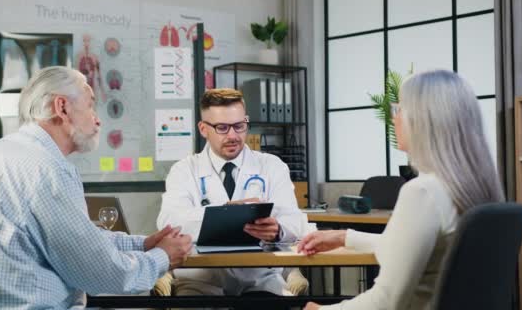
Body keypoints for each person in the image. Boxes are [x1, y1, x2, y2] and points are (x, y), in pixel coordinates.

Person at [0, 66, 193, 309]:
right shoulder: (46, 168)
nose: (97, 118)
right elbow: (100, 273)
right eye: (90, 105)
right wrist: (162, 258)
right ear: (62, 108)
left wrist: (142, 244)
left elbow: (81, 240)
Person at [298, 70, 504, 310]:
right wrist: (345, 237)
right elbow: (410, 250)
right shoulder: (476, 188)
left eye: (398, 109)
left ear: (422, 119)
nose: (394, 118)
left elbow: (386, 301)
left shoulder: (423, 192)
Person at [157, 88, 309, 300]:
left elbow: (295, 221)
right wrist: (225, 213)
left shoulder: (272, 166)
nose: (233, 136)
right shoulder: (184, 170)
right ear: (203, 129)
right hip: (201, 279)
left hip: (259, 278)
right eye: (222, 128)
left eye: (239, 126)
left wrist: (277, 230)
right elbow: (169, 222)